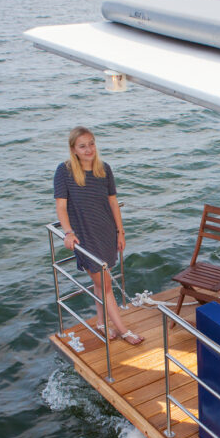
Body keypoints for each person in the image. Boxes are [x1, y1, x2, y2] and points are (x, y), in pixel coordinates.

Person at [54, 126, 144, 345]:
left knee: (100, 284)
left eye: (91, 143)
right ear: (73, 149)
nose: (88, 149)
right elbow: (61, 207)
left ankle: (102, 324)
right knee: (105, 286)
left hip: (106, 232)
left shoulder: (104, 169)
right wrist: (68, 232)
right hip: (85, 236)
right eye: (82, 146)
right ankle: (123, 330)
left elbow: (113, 202)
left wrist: (120, 232)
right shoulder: (64, 171)